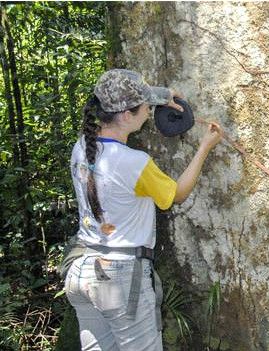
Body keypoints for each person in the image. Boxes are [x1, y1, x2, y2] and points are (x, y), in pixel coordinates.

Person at [63, 69, 222, 350]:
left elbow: (126, 100)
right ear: (126, 115)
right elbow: (176, 194)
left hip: (83, 271)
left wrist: (162, 96)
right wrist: (204, 148)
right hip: (120, 279)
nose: (150, 111)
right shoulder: (135, 162)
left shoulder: (81, 148)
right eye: (146, 107)